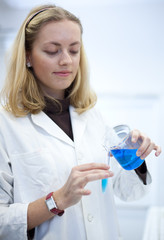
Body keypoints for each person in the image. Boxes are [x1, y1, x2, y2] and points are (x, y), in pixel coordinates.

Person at [0, 4, 161, 240]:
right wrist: (56, 201)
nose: (66, 60)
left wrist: (136, 160)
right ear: (27, 56)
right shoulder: (7, 125)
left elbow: (127, 192)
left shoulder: (91, 116)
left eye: (74, 50)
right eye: (52, 51)